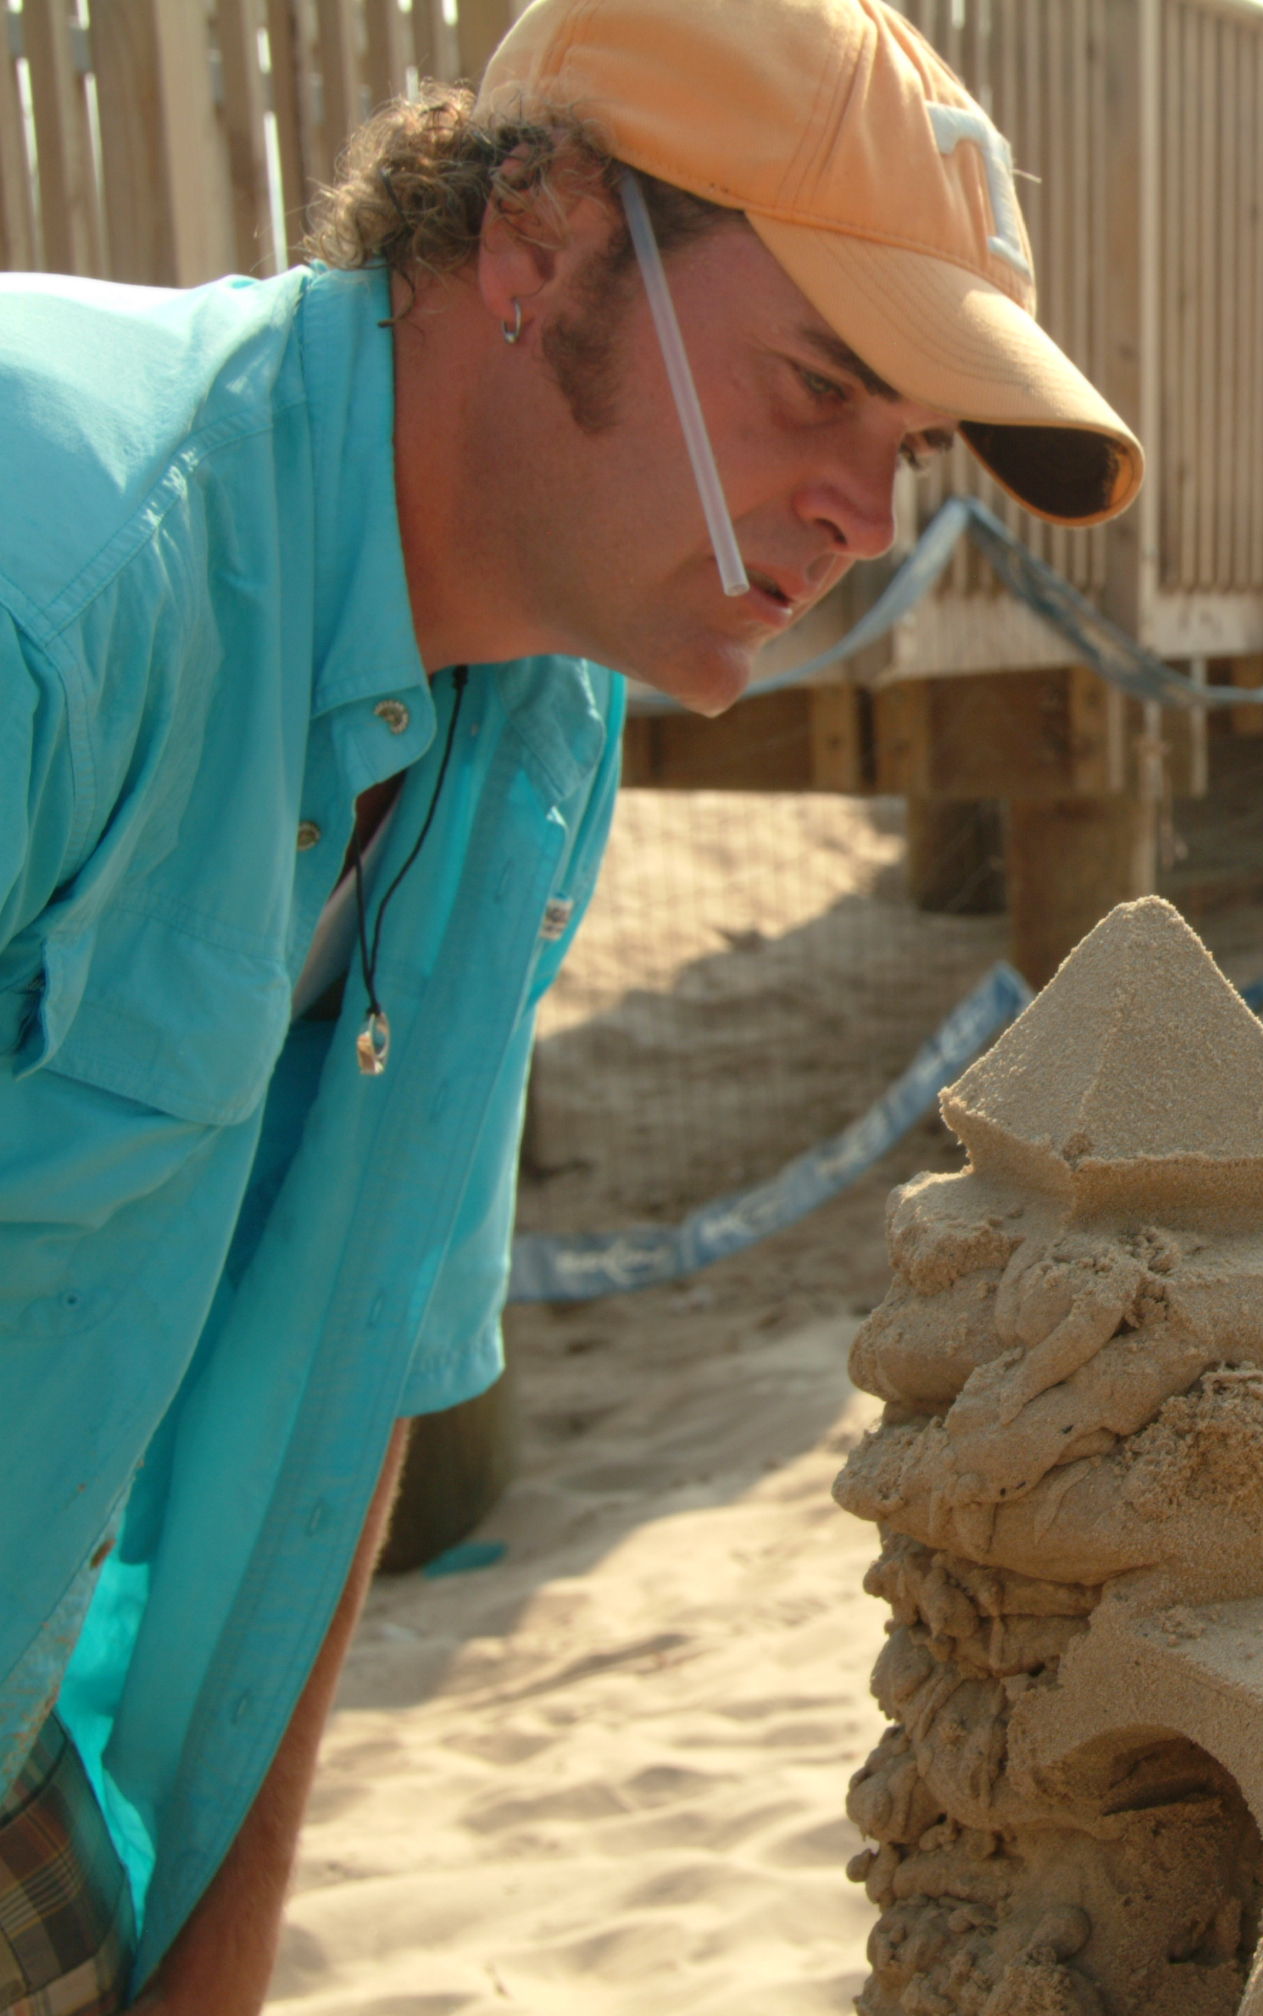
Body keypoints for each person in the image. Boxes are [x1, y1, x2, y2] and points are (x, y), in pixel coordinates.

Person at [0, 0, 1141, 2005]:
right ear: (538, 234)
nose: (864, 521)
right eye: (816, 389)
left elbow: (351, 1384)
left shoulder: (538, 725)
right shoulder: (58, 573)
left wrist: (215, 1962)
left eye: (910, 450)